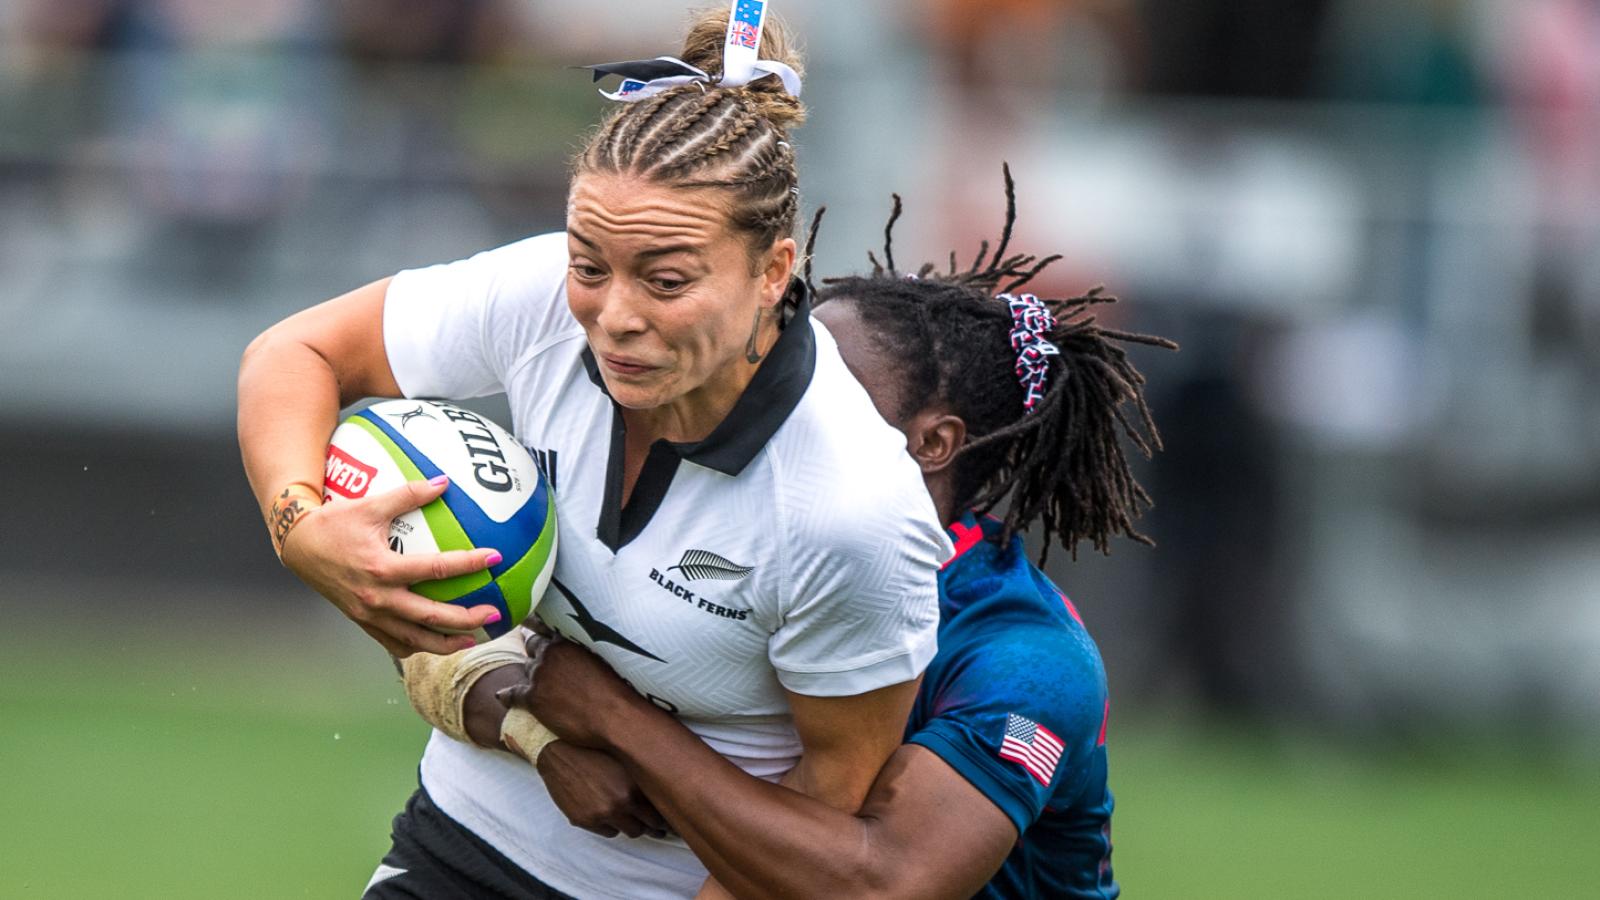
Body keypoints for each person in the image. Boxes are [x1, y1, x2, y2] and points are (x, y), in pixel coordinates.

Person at [236, 6, 952, 898]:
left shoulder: (849, 510)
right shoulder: (539, 299)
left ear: (773, 272)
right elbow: (293, 354)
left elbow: (825, 812)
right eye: (589, 266)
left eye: (667, 281)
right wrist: (299, 523)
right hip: (461, 840)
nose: (613, 316)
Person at [414, 171, 1176, 898]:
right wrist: (538, 735)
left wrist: (618, 722)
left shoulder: (1025, 660)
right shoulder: (730, 521)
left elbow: (882, 883)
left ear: (933, 444)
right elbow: (490, 659)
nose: (792, 394)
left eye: (832, 384)